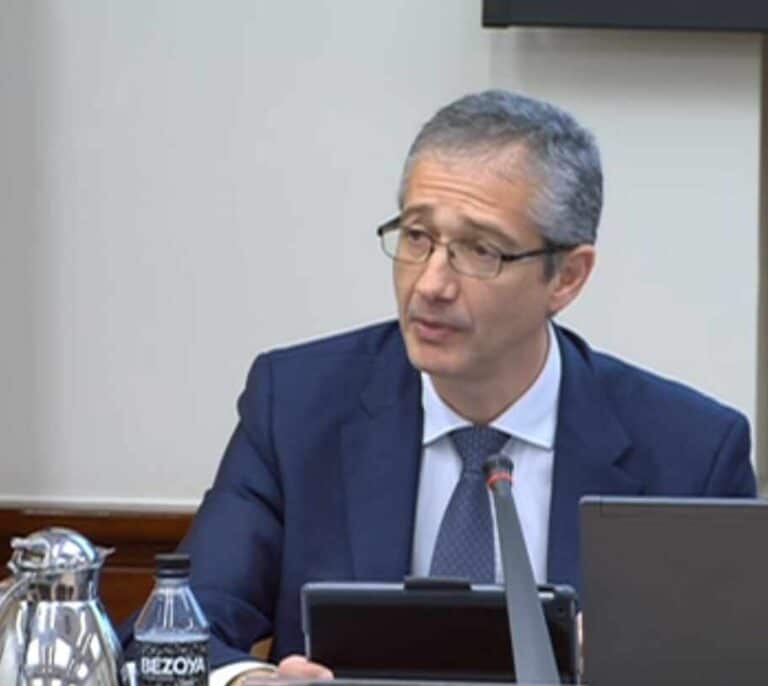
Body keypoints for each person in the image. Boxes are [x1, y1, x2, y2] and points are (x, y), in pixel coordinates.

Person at [120, 90, 756, 684]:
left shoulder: (690, 455)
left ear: (567, 277)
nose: (430, 284)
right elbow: (168, 634)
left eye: (481, 251)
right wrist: (249, 679)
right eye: (418, 237)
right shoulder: (296, 406)